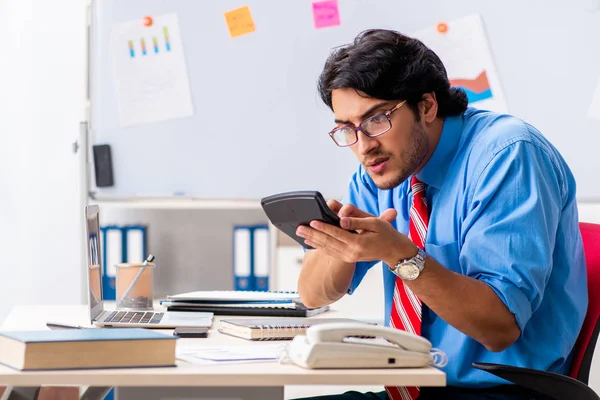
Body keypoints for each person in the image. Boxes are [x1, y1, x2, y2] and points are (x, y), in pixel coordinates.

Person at [294, 29, 587, 400]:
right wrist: (341, 245)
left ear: (427, 106)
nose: (364, 145)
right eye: (347, 129)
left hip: (502, 391)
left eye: (376, 119)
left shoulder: (508, 155)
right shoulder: (384, 167)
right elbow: (312, 294)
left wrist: (399, 255)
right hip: (418, 387)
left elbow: (499, 328)